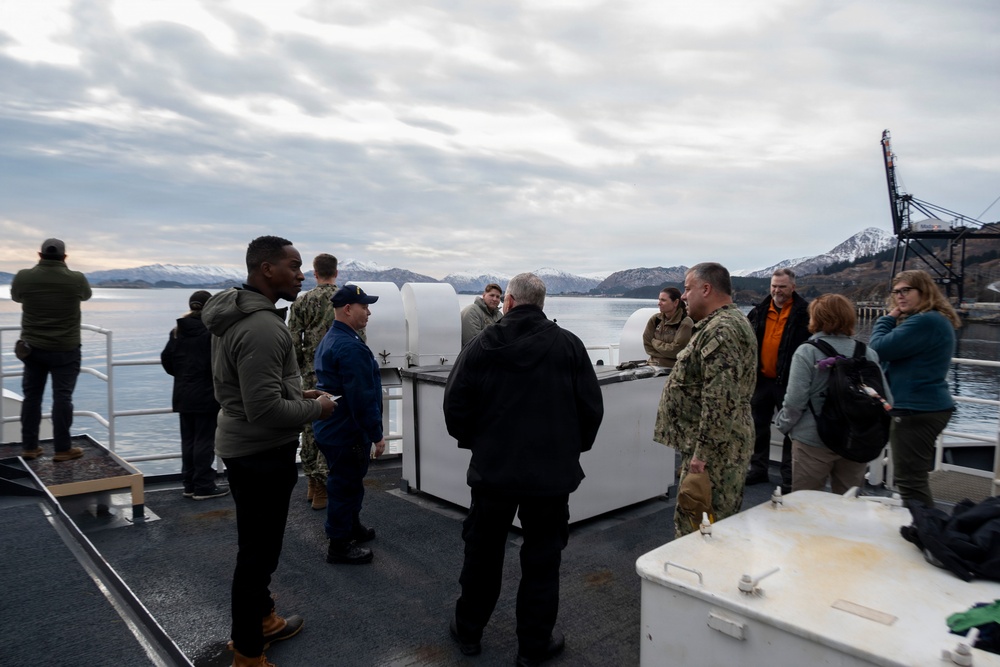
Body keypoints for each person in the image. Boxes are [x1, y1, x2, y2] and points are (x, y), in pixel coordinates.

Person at [443, 272, 604, 667]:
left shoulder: (481, 345)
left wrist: (479, 444)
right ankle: (533, 646)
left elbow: (454, 408)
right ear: (542, 304)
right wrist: (568, 450)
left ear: (509, 301)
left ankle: (468, 632)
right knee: (542, 560)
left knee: (482, 554)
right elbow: (591, 411)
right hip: (550, 479)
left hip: (493, 475)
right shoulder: (569, 346)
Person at [202, 235, 337, 667]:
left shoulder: (238, 314)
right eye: (293, 265)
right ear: (266, 270)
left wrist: (299, 392)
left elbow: (255, 390)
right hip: (261, 453)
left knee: (257, 548)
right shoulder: (262, 327)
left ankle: (263, 621)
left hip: (245, 449)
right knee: (257, 555)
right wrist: (315, 408)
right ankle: (247, 652)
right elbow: (263, 409)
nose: (300, 274)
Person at [653, 262, 757, 538]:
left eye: (688, 289)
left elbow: (720, 398)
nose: (684, 296)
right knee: (706, 524)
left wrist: (703, 455)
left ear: (706, 288)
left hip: (715, 455)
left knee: (701, 528)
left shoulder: (722, 330)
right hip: (714, 447)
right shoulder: (722, 324)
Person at [775, 294, 891, 494]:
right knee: (848, 503)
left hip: (812, 440)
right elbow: (886, 399)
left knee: (806, 502)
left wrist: (783, 425)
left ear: (816, 318)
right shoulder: (867, 353)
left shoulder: (807, 352)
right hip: (854, 439)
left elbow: (795, 401)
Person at [869, 269, 960, 508]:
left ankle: (925, 532)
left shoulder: (925, 321)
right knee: (912, 477)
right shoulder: (934, 320)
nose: (900, 296)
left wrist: (887, 319)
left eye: (906, 291)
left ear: (924, 291)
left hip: (915, 410)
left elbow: (877, 348)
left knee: (910, 480)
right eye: (896, 292)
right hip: (924, 406)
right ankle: (924, 528)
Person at [313, 284, 386, 565]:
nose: (368, 312)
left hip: (331, 427)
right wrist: (376, 434)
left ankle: (351, 526)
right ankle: (339, 544)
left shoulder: (332, 338)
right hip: (345, 431)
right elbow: (362, 397)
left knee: (351, 482)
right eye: (364, 306)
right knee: (344, 486)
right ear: (348, 309)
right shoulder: (349, 346)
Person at [11, 238, 92, 462]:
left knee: (31, 397)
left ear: (40, 255)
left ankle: (29, 446)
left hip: (33, 349)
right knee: (62, 398)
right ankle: (62, 449)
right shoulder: (76, 279)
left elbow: (16, 296)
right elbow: (86, 295)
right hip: (66, 349)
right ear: (64, 257)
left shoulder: (24, 277)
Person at [745, 268, 811, 492]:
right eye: (774, 286)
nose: (777, 291)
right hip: (761, 380)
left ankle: (789, 476)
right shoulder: (759, 311)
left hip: (791, 381)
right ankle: (758, 469)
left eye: (782, 286)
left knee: (791, 430)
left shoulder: (806, 313)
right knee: (758, 426)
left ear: (793, 287)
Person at [160, 290, 228, 500]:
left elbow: (167, 359)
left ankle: (189, 484)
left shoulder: (177, 331)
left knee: (188, 440)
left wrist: (182, 376)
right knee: (204, 441)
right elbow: (219, 364)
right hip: (207, 394)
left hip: (182, 393)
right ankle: (203, 485)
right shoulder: (212, 332)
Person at [287, 253, 339, 511]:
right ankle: (322, 487)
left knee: (309, 430)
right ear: (336, 273)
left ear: (315, 274)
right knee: (331, 430)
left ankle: (312, 483)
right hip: (336, 377)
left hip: (310, 375)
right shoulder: (345, 300)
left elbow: (293, 341)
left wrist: (301, 368)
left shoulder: (302, 301)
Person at [642, 287, 694, 368]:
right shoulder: (655, 319)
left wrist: (654, 342)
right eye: (659, 300)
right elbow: (647, 345)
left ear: (675, 302)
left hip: (674, 369)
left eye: (663, 300)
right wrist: (666, 355)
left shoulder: (685, 323)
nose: (659, 303)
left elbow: (676, 351)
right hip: (652, 366)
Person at [460, 283, 503, 347]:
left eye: (498, 297)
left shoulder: (499, 315)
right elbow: (473, 342)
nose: (495, 299)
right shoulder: (472, 311)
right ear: (484, 296)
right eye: (492, 295)